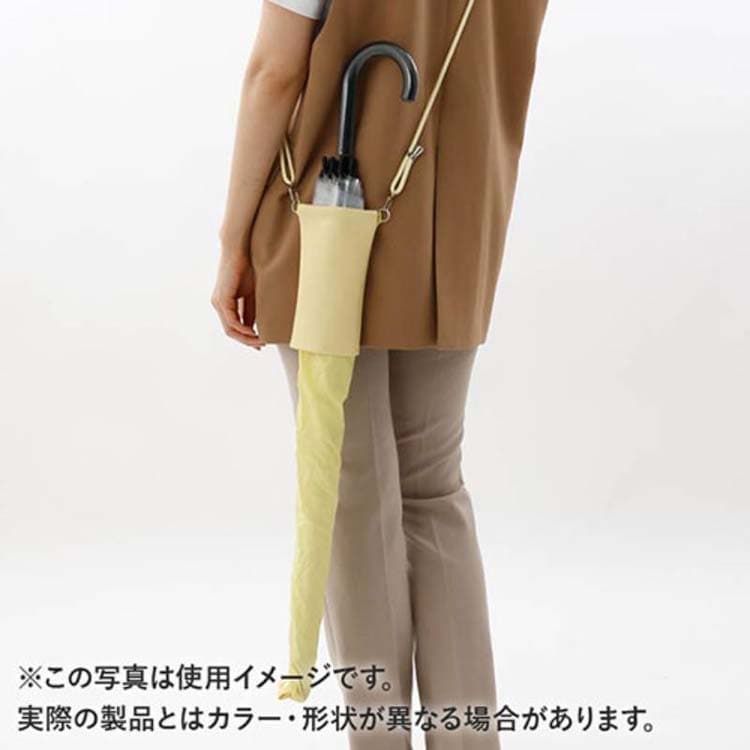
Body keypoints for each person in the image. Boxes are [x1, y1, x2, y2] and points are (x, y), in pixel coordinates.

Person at [212, 1, 548, 748]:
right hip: (459, 232)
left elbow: (274, 72)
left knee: (351, 494)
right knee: (434, 493)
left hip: (331, 222)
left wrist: (233, 239)